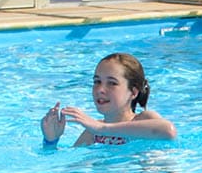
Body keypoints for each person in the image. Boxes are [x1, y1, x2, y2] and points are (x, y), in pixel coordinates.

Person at [44, 52, 177, 146]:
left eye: (112, 83)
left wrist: (102, 128)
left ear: (133, 92)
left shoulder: (144, 119)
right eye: (97, 81)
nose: (100, 89)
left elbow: (168, 131)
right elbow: (68, 170)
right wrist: (51, 140)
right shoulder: (92, 133)